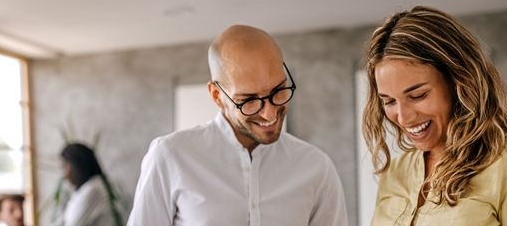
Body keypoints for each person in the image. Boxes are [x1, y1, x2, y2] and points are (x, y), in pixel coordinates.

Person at [362, 6, 507, 225]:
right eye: (388, 101)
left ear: (459, 82)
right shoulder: (397, 172)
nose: (403, 117)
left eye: (418, 95)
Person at [127, 24, 348, 226]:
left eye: (278, 90)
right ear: (217, 96)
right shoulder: (170, 157)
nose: (269, 112)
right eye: (249, 100)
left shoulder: (316, 168)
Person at [57, 143, 117, 226]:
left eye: (66, 166)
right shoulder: (82, 190)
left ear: (79, 165)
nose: (65, 173)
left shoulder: (93, 190)